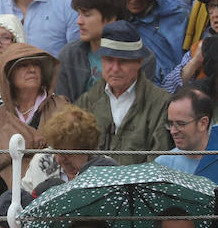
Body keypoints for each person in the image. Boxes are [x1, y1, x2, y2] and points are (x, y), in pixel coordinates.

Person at [72, 22, 170, 165]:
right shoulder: (87, 102)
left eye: (123, 61)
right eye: (109, 60)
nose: (115, 68)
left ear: (139, 62)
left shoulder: (161, 103)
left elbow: (159, 163)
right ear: (101, 61)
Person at [0, 43, 71, 185]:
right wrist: (23, 146)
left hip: (52, 193)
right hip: (5, 198)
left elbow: (76, 149)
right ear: (9, 75)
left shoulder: (61, 107)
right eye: (23, 65)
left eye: (36, 65)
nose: (32, 69)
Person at [152, 89, 213, 175]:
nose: (173, 131)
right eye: (170, 124)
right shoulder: (162, 165)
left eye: (180, 124)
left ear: (203, 123)